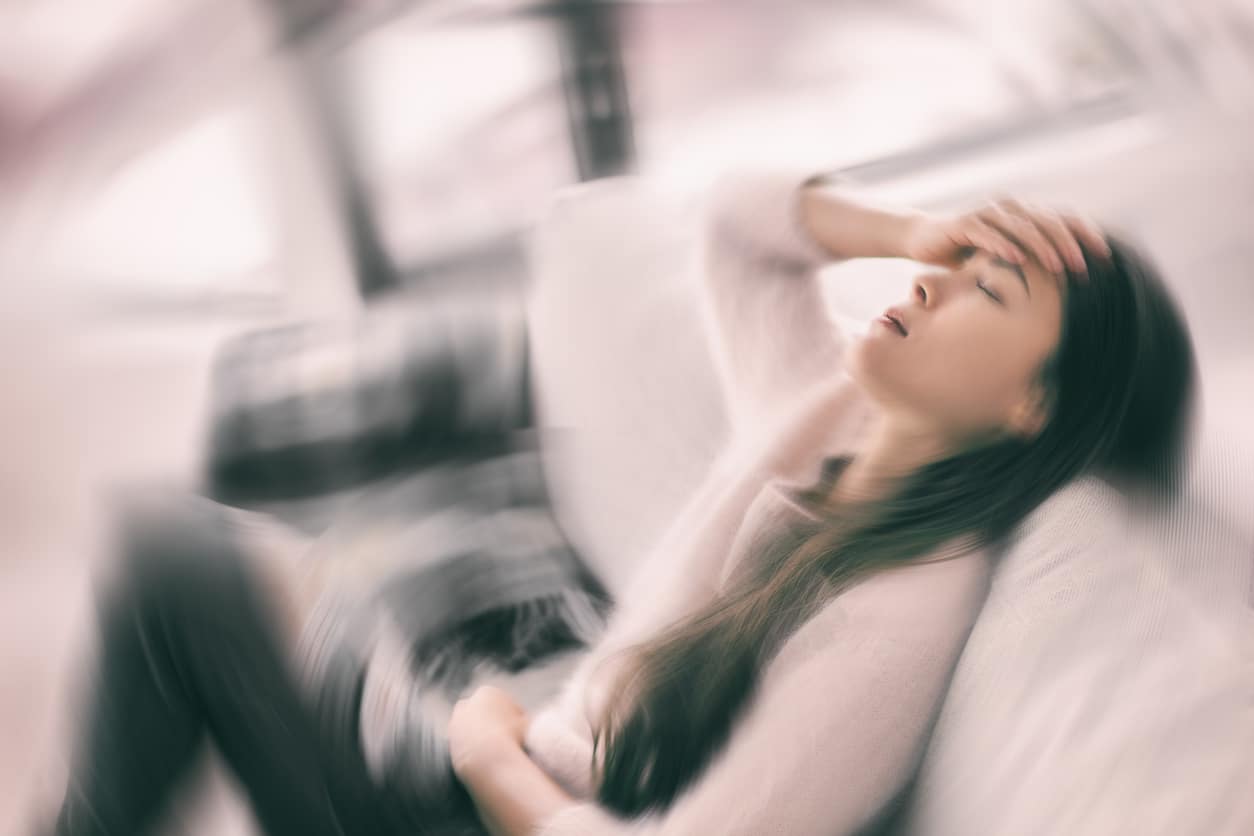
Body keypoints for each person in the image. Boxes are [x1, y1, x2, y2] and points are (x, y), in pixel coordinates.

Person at [46, 164, 1196, 836]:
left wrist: (495, 759)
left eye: (983, 287)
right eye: (951, 260)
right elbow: (739, 233)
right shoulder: (832, 416)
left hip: (493, 799)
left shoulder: (893, 622)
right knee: (219, 558)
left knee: (169, 556)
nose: (930, 283)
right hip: (522, 729)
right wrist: (904, 224)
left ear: (1029, 408)